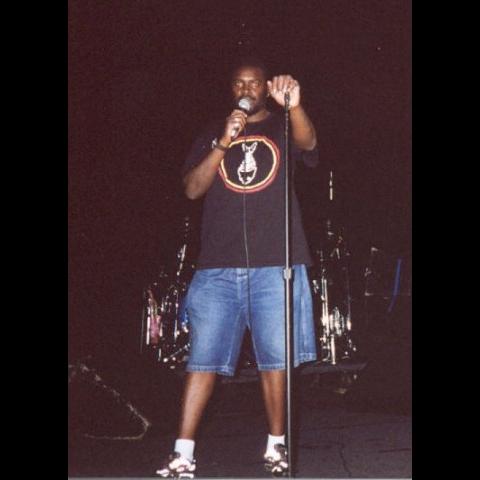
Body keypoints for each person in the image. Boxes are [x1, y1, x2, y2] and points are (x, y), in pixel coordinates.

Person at [156, 57, 319, 478]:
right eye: (238, 83)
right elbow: (192, 189)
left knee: (275, 361)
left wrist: (295, 105)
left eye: (254, 82)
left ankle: (276, 447)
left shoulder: (282, 126)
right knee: (202, 360)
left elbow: (308, 144)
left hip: (275, 265)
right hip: (218, 267)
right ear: (231, 89)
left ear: (265, 87)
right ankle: (183, 454)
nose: (246, 89)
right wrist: (222, 142)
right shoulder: (214, 131)